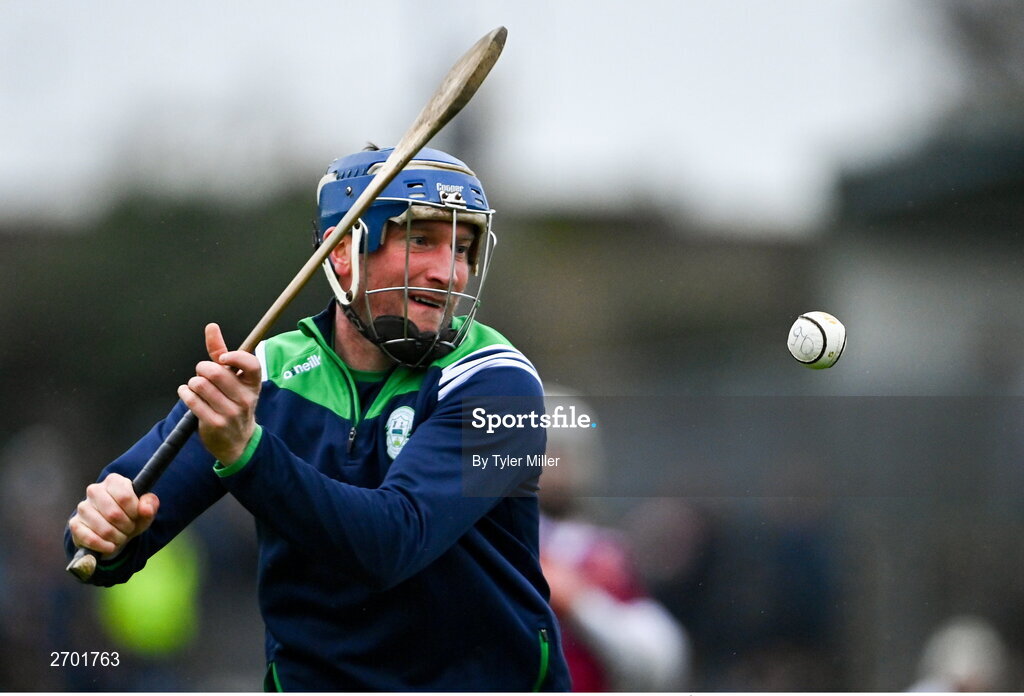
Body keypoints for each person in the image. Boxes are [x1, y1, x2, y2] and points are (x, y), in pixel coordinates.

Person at [64, 146, 571, 691]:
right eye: (421, 239)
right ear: (344, 251)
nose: (449, 272)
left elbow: (393, 543)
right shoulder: (272, 375)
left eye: (464, 247)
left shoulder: (498, 384)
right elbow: (112, 532)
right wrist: (106, 529)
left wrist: (249, 455)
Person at [539, 392, 690, 691]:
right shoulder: (491, 540)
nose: (557, 466)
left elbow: (658, 659)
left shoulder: (602, 552)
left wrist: (580, 603)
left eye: (565, 453)